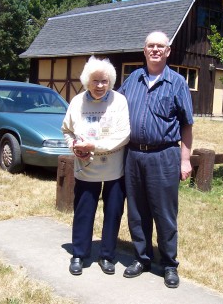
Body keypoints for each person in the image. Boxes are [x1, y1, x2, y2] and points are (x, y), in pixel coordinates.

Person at [118, 31, 194, 288]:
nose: (155, 50)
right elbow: (114, 107)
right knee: (137, 212)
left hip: (164, 155)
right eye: (151, 46)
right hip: (133, 155)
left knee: (164, 213)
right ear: (144, 50)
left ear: (168, 51)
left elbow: (187, 125)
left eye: (160, 46)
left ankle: (169, 264)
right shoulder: (132, 80)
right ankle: (142, 258)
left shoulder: (177, 83)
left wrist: (185, 160)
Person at [62, 56, 130, 276]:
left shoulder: (119, 101)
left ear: (110, 81)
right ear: (86, 81)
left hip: (114, 169)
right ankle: (79, 254)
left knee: (112, 213)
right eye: (95, 81)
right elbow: (67, 130)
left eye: (104, 81)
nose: (100, 86)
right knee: (83, 212)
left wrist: (95, 145)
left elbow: (124, 135)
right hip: (86, 168)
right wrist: (74, 146)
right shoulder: (77, 102)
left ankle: (107, 255)